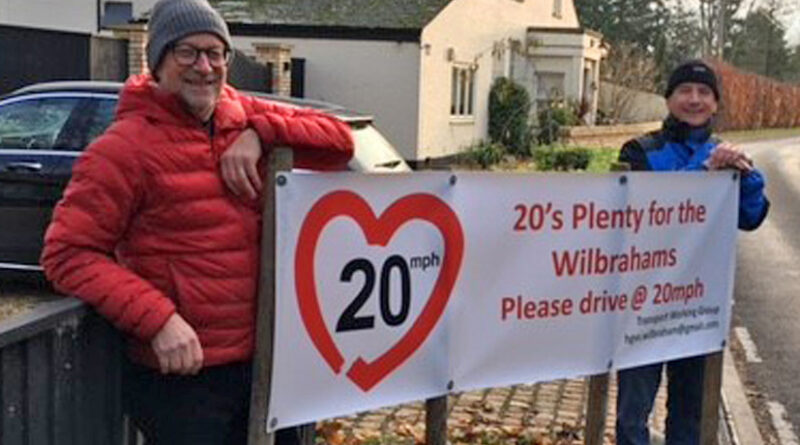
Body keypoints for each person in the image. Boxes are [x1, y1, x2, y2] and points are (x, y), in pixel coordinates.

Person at [40, 0, 354, 443]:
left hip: (268, 362)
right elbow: (66, 254)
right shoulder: (122, 150)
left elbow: (340, 141)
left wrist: (260, 133)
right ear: (158, 62)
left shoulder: (241, 113)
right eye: (186, 52)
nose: (204, 67)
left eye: (215, 53)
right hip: (185, 379)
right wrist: (157, 319)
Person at [615, 60, 769, 445]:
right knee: (633, 413)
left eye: (704, 93)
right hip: (643, 303)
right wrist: (706, 173)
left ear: (715, 104)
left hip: (698, 306)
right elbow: (649, 216)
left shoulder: (727, 155)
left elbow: (751, 218)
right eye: (685, 90)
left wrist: (747, 179)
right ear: (669, 99)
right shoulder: (639, 150)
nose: (694, 100)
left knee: (691, 413)